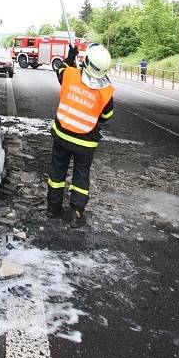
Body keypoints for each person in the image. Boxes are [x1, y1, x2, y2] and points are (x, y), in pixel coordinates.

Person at [46, 42, 114, 228]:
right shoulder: (106, 90)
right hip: (86, 142)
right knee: (81, 176)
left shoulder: (70, 73)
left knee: (57, 172)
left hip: (62, 135)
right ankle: (76, 212)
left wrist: (70, 55)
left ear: (86, 60)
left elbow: (62, 68)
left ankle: (53, 209)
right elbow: (107, 116)